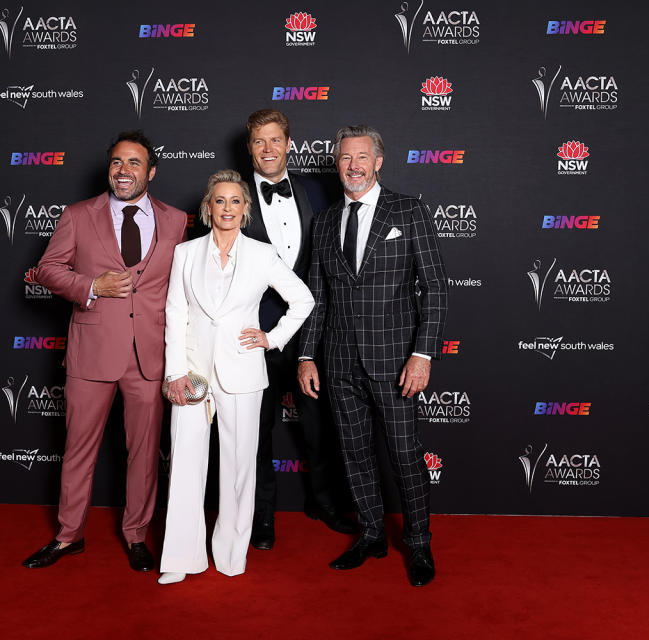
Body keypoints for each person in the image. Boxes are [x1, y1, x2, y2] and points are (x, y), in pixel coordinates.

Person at [23, 130, 188, 572]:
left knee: (144, 453)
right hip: (92, 354)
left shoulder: (177, 221)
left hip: (149, 356)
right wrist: (92, 286)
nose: (124, 171)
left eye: (134, 163)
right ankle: (68, 535)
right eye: (117, 162)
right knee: (78, 449)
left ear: (151, 171)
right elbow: (47, 270)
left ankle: (136, 535)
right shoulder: (79, 216)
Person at [297, 125, 448, 586]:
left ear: (379, 161)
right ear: (336, 163)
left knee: (405, 455)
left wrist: (423, 354)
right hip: (339, 362)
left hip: (397, 361)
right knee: (355, 454)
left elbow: (436, 289)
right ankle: (371, 534)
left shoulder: (409, 210)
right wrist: (306, 356)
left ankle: (418, 543)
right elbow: (316, 298)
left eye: (363, 157)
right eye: (345, 158)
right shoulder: (324, 223)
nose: (354, 166)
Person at [158, 170, 314, 584]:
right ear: (207, 208)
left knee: (239, 468)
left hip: (243, 371)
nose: (227, 208)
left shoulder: (262, 254)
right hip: (191, 373)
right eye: (219, 201)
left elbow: (303, 299)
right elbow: (175, 314)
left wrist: (273, 337)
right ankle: (180, 557)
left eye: (235, 201)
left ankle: (230, 555)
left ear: (245, 209)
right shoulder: (185, 253)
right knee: (186, 467)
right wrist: (174, 372)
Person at [241, 108, 358, 550]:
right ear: (248, 148)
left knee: (319, 426)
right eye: (258, 142)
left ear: (290, 144)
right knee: (257, 431)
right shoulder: (235, 197)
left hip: (311, 335)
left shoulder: (314, 191)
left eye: (275, 140)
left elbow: (328, 266)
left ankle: (324, 504)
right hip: (255, 338)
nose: (268, 149)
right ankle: (262, 515)